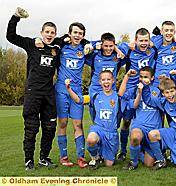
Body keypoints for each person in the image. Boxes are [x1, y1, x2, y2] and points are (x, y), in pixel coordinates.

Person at [6, 7, 59, 170]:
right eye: (47, 32)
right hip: (33, 93)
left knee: (50, 128)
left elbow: (75, 37)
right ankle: (29, 160)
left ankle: (44, 158)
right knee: (31, 128)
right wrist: (15, 17)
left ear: (55, 34)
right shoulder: (32, 44)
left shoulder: (57, 47)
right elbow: (11, 36)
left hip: (49, 94)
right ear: (41, 32)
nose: (49, 35)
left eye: (52, 32)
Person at [116, 28, 158, 161]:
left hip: (148, 90)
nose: (144, 43)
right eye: (141, 40)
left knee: (155, 116)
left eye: (146, 40)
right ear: (136, 40)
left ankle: (153, 149)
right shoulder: (130, 50)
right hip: (131, 91)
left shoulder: (153, 50)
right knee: (127, 121)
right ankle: (123, 151)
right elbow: (114, 45)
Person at [65, 70, 121, 168]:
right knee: (91, 139)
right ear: (100, 82)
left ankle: (105, 152)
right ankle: (95, 157)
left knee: (109, 164)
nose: (106, 82)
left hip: (111, 133)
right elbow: (79, 100)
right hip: (98, 129)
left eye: (108, 79)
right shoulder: (95, 96)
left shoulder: (118, 97)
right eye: (103, 80)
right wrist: (69, 89)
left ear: (113, 81)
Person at [56, 22, 90, 168]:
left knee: (78, 124)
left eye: (80, 33)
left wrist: (89, 44)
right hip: (61, 90)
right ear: (69, 34)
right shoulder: (62, 47)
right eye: (75, 32)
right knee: (63, 123)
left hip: (76, 91)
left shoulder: (84, 49)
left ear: (83, 36)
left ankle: (81, 158)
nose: (77, 35)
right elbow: (53, 43)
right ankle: (63, 157)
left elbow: (102, 45)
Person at [119, 67, 162, 170]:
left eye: (146, 77)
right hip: (139, 126)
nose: (143, 79)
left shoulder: (158, 90)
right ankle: (133, 162)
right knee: (135, 136)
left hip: (153, 129)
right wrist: (127, 77)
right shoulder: (135, 89)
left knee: (149, 164)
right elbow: (120, 94)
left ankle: (140, 153)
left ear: (152, 78)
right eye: (141, 76)